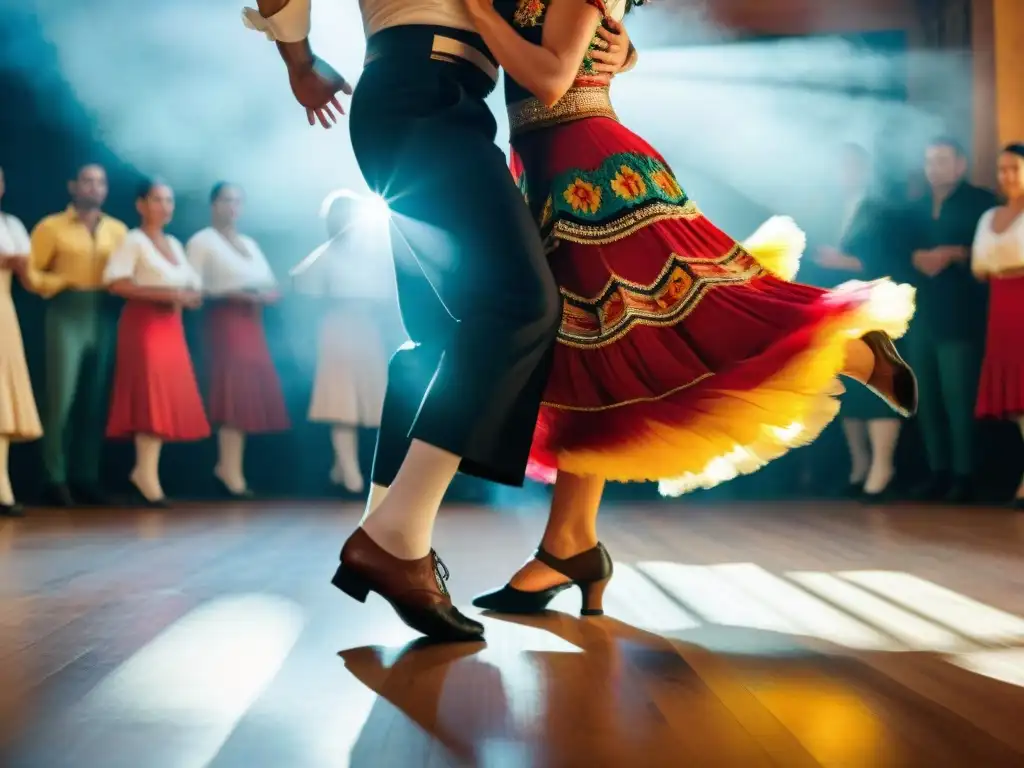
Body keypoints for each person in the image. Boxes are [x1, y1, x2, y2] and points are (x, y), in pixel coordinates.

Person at [463, 0, 918, 615]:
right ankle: (568, 543)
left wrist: (475, 11)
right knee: (588, 355)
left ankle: (851, 352)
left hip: (589, 165)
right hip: (552, 167)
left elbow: (549, 79)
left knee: (682, 317)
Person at [243, 0, 635, 641]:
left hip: (441, 103)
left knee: (438, 341)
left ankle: (387, 525)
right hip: (420, 96)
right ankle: (396, 539)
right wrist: (298, 59)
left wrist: (623, 46)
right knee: (520, 306)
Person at [104, 180, 210, 506]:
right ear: (141, 204)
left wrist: (187, 298)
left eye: (169, 200)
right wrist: (167, 294)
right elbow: (116, 283)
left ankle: (146, 470)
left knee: (165, 399)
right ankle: (146, 476)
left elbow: (193, 286)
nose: (164, 206)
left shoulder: (175, 245)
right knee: (149, 397)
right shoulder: (133, 241)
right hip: (144, 327)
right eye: (157, 199)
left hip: (171, 328)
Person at [814, 143, 911, 501]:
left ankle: (883, 468)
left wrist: (843, 263)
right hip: (841, 312)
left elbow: (888, 263)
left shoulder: (881, 211)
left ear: (867, 171)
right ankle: (859, 467)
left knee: (876, 388)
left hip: (874, 309)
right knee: (849, 393)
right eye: (842, 167)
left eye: (854, 167)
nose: (847, 173)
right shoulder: (833, 208)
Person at [27, 164, 127, 507]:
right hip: (66, 313)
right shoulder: (51, 226)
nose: (94, 187)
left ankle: (86, 476)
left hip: (102, 312)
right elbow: (32, 273)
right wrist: (62, 283)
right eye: (87, 180)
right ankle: (53, 478)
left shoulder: (117, 229)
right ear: (73, 186)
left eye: (100, 181)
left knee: (94, 400)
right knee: (60, 399)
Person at [905, 137, 998, 504]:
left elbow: (995, 249)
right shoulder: (915, 207)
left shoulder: (981, 202)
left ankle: (965, 475)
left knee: (959, 398)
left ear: (961, 165)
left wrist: (958, 253)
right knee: (926, 398)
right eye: (929, 161)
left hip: (961, 315)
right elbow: (898, 250)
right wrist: (915, 258)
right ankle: (937, 471)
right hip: (922, 312)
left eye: (942, 160)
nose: (934, 168)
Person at [186, 182, 290, 498]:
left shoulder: (249, 243)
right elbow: (192, 287)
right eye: (226, 200)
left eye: (237, 201)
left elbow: (270, 283)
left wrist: (266, 295)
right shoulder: (202, 241)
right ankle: (228, 470)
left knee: (245, 394)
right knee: (229, 391)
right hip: (223, 321)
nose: (232, 207)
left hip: (251, 323)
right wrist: (234, 294)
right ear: (213, 204)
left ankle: (232, 468)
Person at [291, 190, 398, 494]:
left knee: (369, 399)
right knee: (340, 401)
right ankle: (350, 473)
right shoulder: (326, 254)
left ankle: (343, 469)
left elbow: (388, 291)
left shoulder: (372, 257)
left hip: (366, 331)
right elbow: (302, 285)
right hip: (338, 330)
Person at [972, 143, 1024, 509]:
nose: (1007, 176)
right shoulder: (989, 215)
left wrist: (1005, 267)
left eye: (1015, 168)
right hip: (1000, 309)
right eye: (1002, 169)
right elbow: (980, 267)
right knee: (1017, 402)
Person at [0, 167, 43, 517]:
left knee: (3, 397)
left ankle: (2, 484)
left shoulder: (12, 225)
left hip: (4, 309)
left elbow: (30, 278)